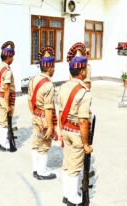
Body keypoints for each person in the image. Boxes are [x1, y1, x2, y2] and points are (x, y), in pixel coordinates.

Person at [58, 42, 93, 205]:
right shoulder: (84, 92)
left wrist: (60, 131)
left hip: (65, 129)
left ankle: (67, 193)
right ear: (82, 71)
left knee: (67, 163)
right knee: (75, 166)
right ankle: (72, 197)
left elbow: (60, 113)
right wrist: (86, 144)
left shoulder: (63, 87)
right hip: (77, 133)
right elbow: (83, 121)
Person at [28, 46, 57, 180]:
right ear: (50, 68)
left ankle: (35, 168)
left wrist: (34, 114)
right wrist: (50, 126)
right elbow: (49, 108)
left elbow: (29, 99)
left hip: (35, 115)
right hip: (45, 118)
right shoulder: (49, 85)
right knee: (45, 144)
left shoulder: (33, 79)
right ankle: (42, 172)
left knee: (36, 142)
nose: (54, 70)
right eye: (54, 67)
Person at [0, 41, 17, 152]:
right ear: (8, 57)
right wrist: (8, 104)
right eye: (12, 57)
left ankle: (1, 141)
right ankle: (4, 144)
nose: (13, 59)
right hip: (5, 98)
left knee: (1, 120)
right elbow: (7, 88)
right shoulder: (7, 71)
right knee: (4, 121)